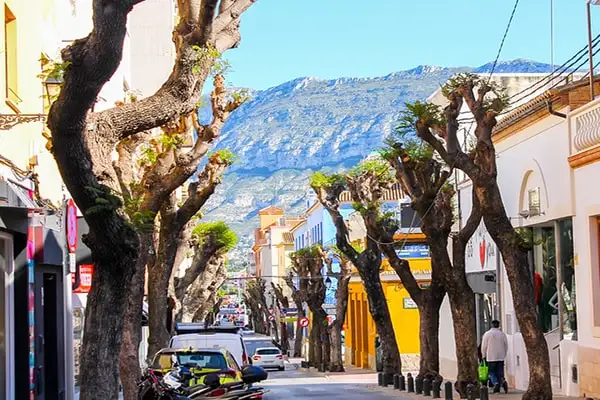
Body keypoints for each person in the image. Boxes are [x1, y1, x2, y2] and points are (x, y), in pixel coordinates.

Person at [481, 320, 509, 394]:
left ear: (491, 325)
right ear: (498, 325)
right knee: (500, 372)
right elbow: (506, 345)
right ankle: (502, 381)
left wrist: (483, 355)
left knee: (491, 371)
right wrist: (504, 354)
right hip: (500, 356)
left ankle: (495, 383)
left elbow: (484, 346)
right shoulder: (502, 334)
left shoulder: (487, 334)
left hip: (490, 357)